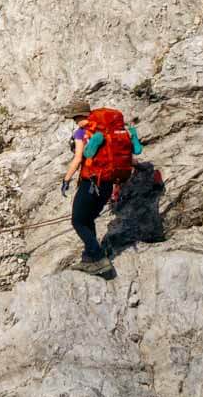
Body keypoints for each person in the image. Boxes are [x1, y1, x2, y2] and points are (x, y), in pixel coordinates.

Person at [61, 107, 144, 279]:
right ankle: (89, 258)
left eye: (75, 118)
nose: (75, 122)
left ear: (81, 116)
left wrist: (66, 179)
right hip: (108, 184)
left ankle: (99, 259)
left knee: (78, 221)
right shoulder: (112, 132)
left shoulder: (82, 133)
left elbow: (78, 158)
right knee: (88, 219)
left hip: (91, 184)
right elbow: (128, 156)